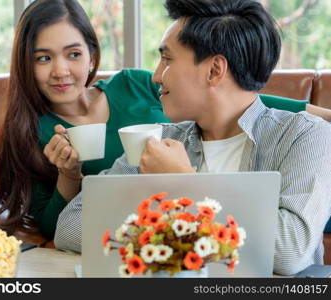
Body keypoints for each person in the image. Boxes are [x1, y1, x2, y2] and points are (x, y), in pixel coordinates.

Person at [54, 0, 331, 276]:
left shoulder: (305, 135)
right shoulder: (157, 140)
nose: (156, 76)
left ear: (214, 70)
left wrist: (184, 183)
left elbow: (290, 251)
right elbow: (70, 227)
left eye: (167, 59)